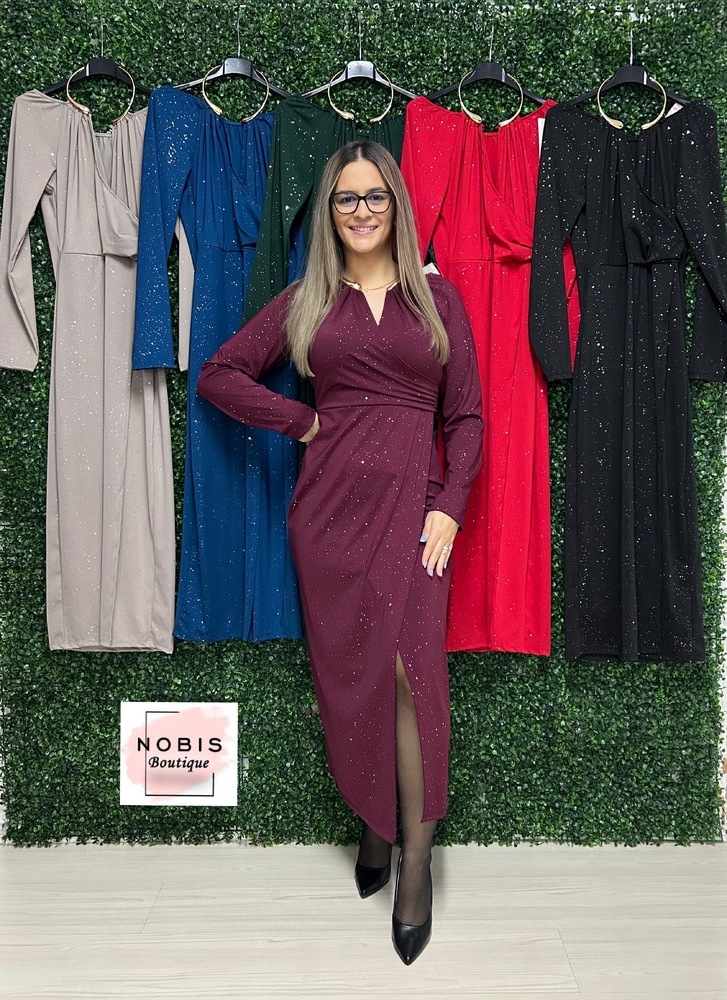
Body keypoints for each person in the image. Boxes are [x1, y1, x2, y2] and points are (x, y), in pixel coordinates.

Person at [197, 140, 483, 964]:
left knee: (410, 673)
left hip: (416, 513)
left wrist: (449, 507)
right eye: (345, 198)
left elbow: (465, 416)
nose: (361, 211)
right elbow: (219, 373)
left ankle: (414, 862)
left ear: (396, 204)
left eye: (374, 196)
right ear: (329, 212)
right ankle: (373, 824)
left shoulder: (437, 298)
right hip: (328, 518)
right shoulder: (307, 299)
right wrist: (302, 421)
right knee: (355, 674)